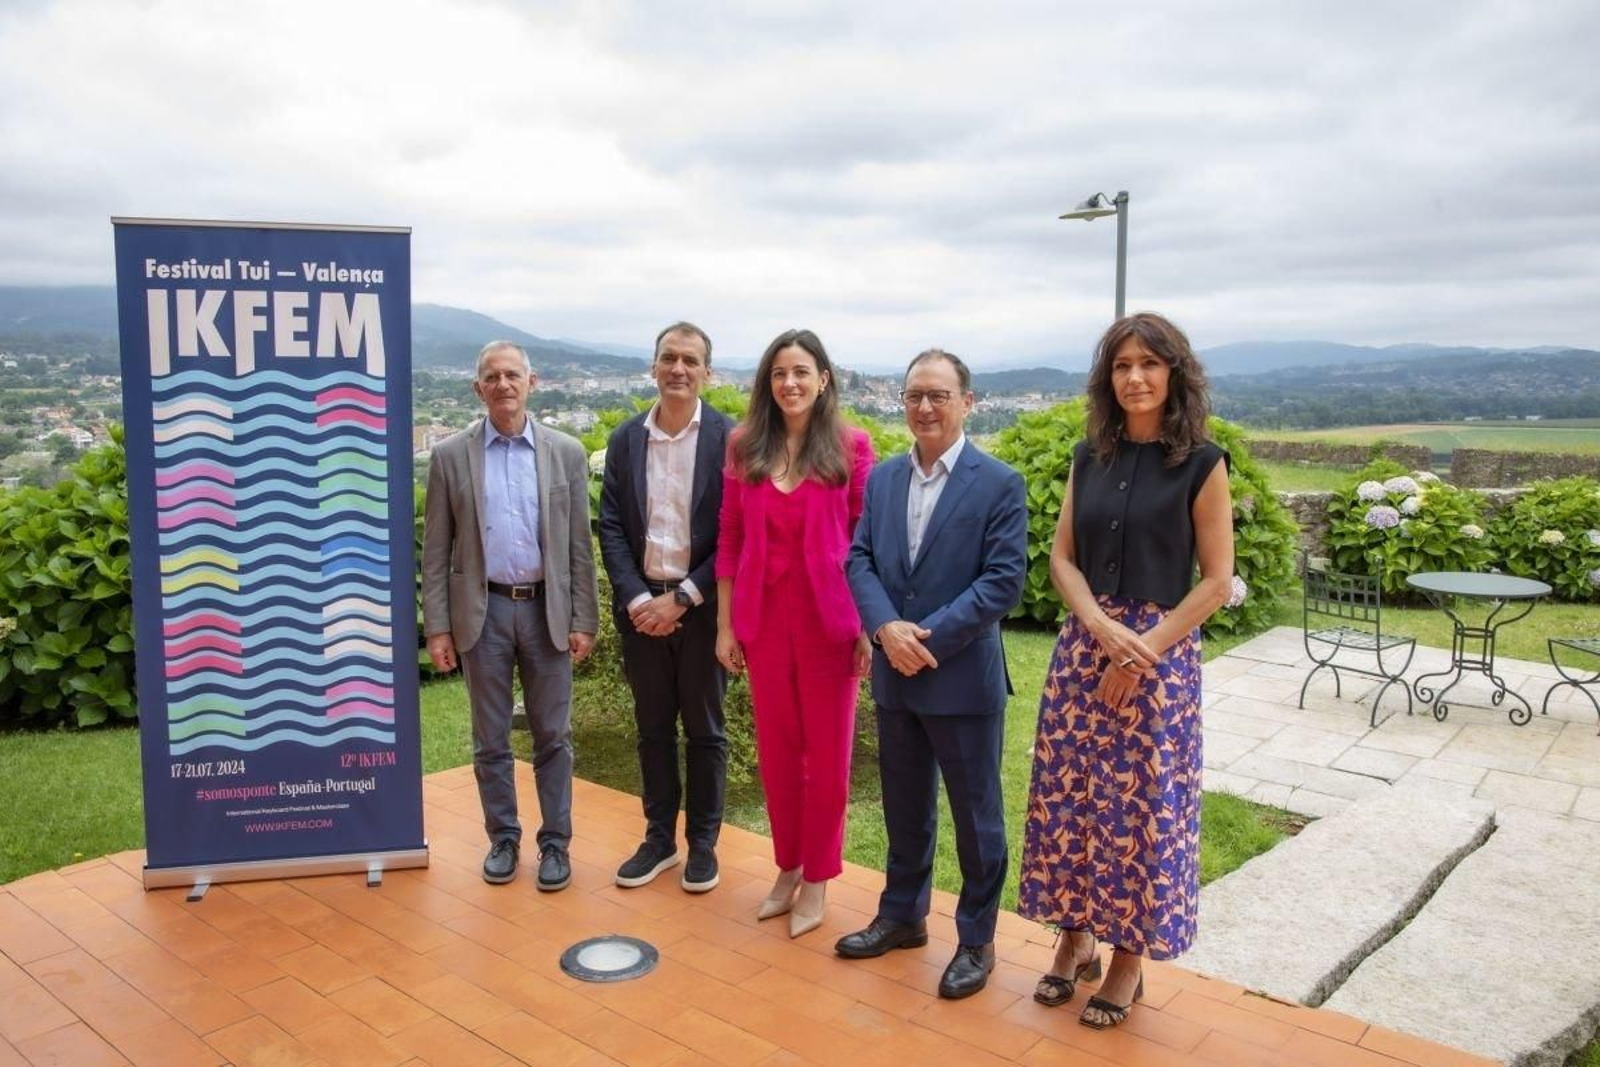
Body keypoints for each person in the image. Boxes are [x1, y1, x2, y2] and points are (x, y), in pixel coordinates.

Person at [1016, 312, 1234, 1030]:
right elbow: (1060, 559)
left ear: (1175, 373)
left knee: (1140, 811)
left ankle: (1127, 959)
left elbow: (1216, 580)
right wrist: (1102, 629)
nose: (1134, 376)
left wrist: (1138, 650)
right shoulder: (1089, 456)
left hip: (1160, 659)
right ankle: (1073, 936)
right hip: (1085, 650)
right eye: (1121, 365)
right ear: (1107, 379)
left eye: (1149, 362)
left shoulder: (1203, 462)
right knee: (1072, 798)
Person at [839, 348, 1027, 1000]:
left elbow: (1003, 581)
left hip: (961, 680)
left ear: (967, 402)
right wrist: (887, 629)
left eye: (939, 395)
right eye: (915, 394)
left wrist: (927, 640)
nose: (924, 406)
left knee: (977, 819)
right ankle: (902, 915)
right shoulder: (886, 479)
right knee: (905, 805)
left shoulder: (999, 482)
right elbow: (859, 558)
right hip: (896, 674)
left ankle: (976, 938)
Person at [422, 340, 599, 891]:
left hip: (546, 610)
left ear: (532, 382)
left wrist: (583, 619)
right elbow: (435, 551)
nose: (503, 384)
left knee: (553, 734)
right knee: (490, 738)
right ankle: (503, 837)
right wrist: (439, 627)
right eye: (492, 377)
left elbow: (578, 544)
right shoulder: (451, 456)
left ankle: (556, 845)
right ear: (478, 389)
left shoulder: (564, 452)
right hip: (485, 612)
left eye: (512, 375)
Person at [714, 328, 873, 938]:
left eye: (802, 372)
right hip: (763, 622)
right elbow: (729, 536)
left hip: (830, 624)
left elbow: (867, 541)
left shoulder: (851, 446)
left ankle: (820, 878)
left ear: (823, 378)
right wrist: (727, 625)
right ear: (767, 381)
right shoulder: (744, 445)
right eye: (780, 373)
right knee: (779, 758)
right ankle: (788, 866)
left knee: (828, 763)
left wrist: (867, 627)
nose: (790, 383)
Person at [599, 322, 734, 893]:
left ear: (707, 371)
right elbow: (609, 525)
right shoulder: (627, 439)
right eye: (668, 358)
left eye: (690, 360)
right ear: (652, 366)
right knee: (652, 729)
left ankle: (703, 844)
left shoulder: (733, 441)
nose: (678, 369)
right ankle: (659, 839)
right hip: (640, 611)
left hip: (701, 609)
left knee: (705, 731)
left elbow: (737, 534)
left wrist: (681, 599)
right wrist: (638, 599)